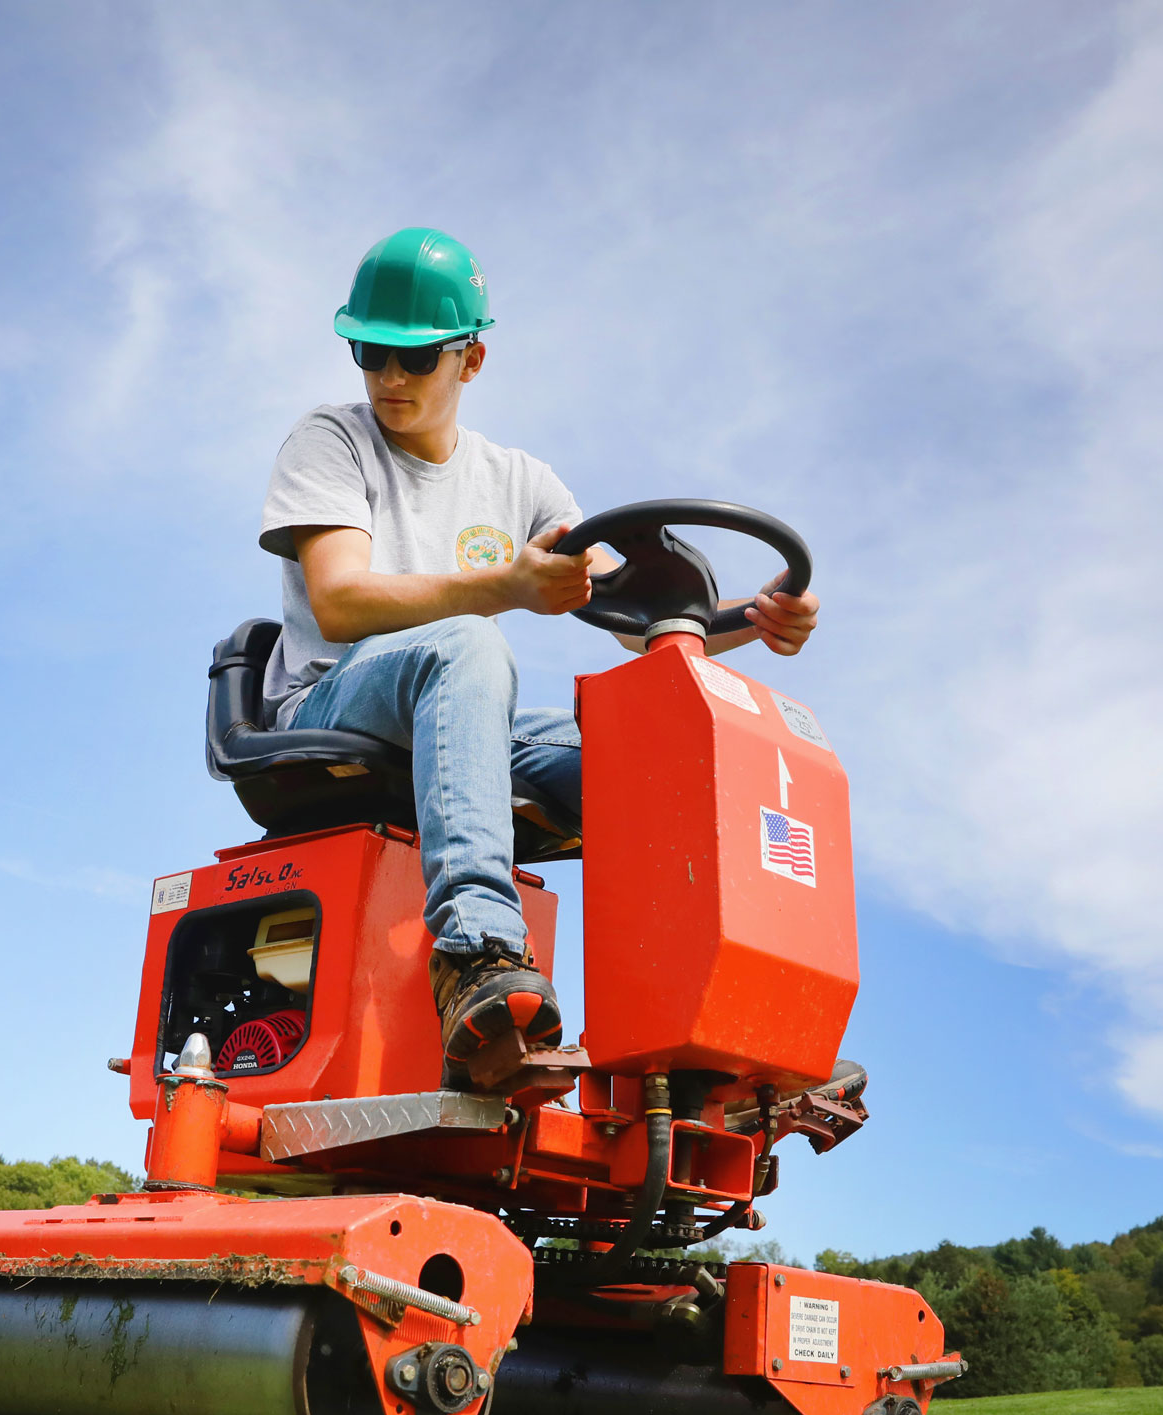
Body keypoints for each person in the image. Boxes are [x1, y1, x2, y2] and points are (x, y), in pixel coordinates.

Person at [257, 227, 819, 1079]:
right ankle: (477, 955)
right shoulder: (331, 441)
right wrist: (502, 589)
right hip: (333, 696)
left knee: (661, 751)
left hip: (461, 705)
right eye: (371, 352)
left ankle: (694, 1033)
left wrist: (753, 615)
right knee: (469, 644)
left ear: (470, 361)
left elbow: (639, 618)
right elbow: (339, 601)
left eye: (415, 357)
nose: (389, 378)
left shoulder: (520, 480)